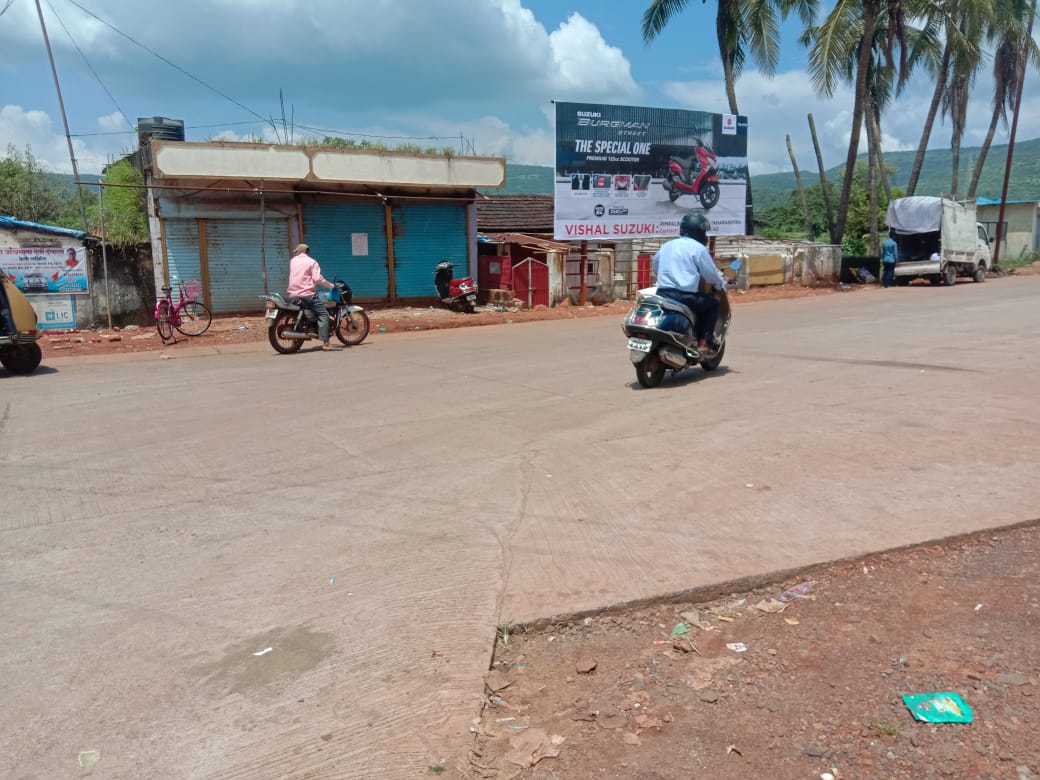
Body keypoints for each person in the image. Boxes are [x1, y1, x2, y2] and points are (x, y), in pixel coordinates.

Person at [652, 213, 727, 353]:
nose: (705, 235)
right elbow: (711, 275)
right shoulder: (699, 249)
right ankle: (704, 344)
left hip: (663, 293)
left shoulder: (667, 245)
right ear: (698, 231)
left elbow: (656, 265)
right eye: (704, 232)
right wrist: (720, 284)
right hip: (685, 296)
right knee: (713, 304)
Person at [287, 243, 338, 351]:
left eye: (296, 251)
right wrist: (331, 285)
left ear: (299, 252)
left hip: (293, 294)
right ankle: (326, 344)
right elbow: (317, 279)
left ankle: (308, 329)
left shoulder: (293, 261)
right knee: (323, 314)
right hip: (307, 294)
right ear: (307, 251)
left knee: (310, 310)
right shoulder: (312, 262)